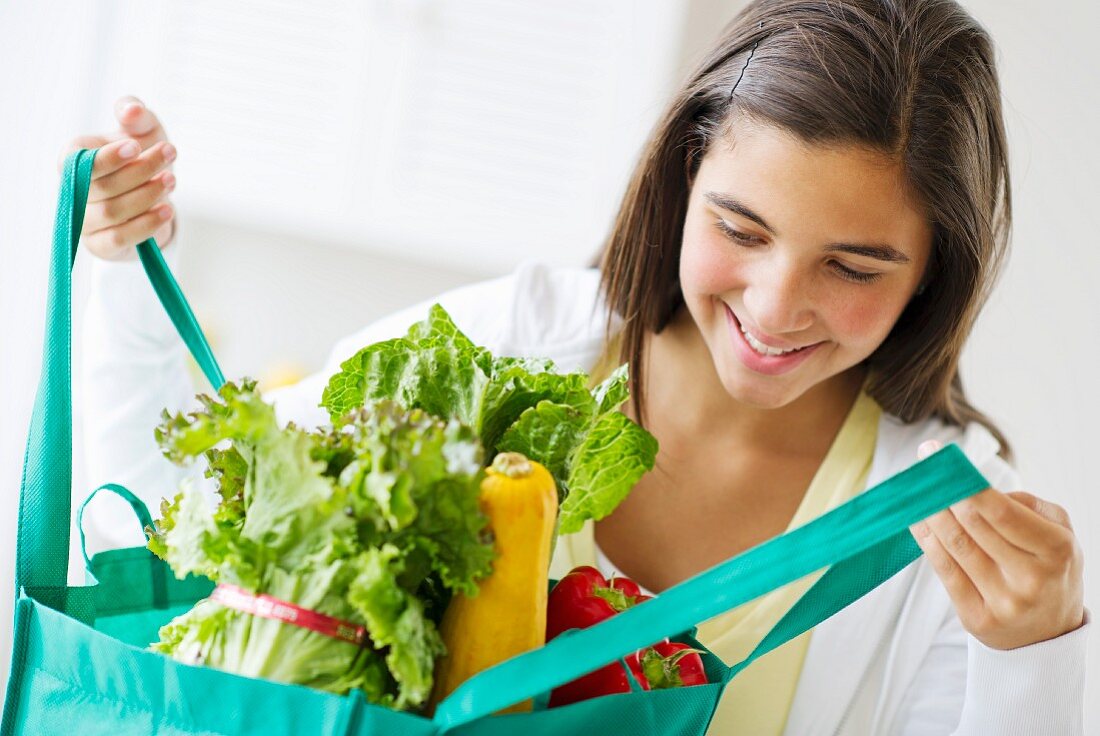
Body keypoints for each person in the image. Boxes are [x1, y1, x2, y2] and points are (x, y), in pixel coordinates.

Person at [69, 0, 1089, 733]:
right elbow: (165, 526)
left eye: (852, 265)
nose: (775, 307)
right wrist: (123, 269)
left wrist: (1034, 657)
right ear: (683, 179)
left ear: (930, 274)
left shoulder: (948, 526)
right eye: (740, 228)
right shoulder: (510, 344)